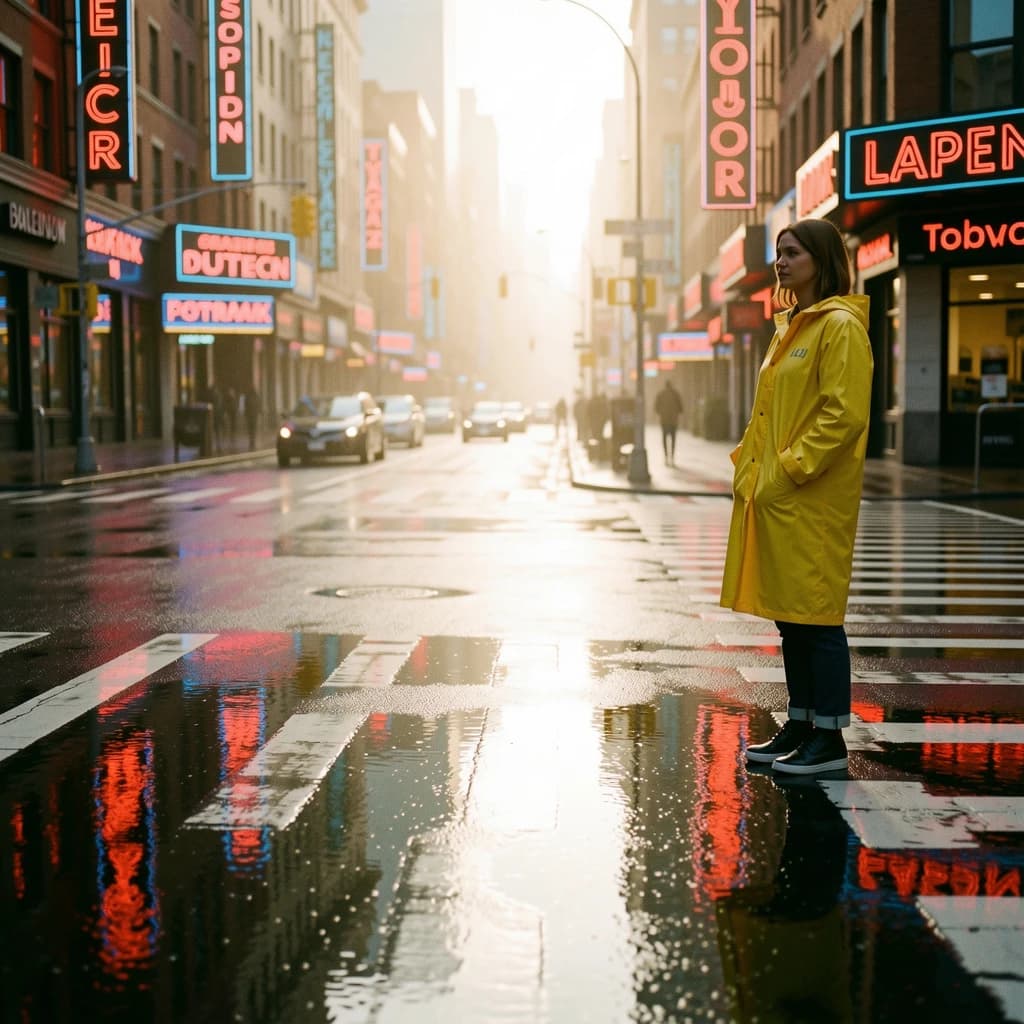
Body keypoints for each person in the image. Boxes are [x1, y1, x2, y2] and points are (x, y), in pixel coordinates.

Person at [719, 217, 874, 775]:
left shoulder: (839, 328)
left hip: (814, 498)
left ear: (822, 260)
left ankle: (828, 740)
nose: (781, 263)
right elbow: (769, 415)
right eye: (780, 253)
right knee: (791, 618)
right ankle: (803, 722)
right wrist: (748, 468)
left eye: (792, 253)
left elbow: (845, 413)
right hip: (783, 499)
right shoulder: (793, 329)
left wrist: (787, 470)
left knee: (817, 619)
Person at [653, 379, 683, 465]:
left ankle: (666, 457)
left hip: (664, 420)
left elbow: (656, 408)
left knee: (664, 439)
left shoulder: (661, 394)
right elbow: (681, 408)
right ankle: (672, 457)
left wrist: (662, 412)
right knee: (673, 439)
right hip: (673, 420)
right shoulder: (675, 394)